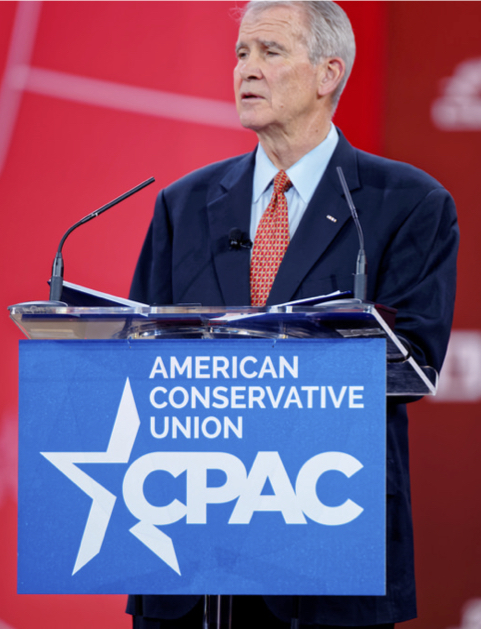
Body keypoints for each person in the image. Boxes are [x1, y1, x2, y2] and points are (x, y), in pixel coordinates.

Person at [126, 2, 458, 628]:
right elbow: (138, 357)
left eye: (270, 52)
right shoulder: (183, 204)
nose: (246, 69)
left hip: (328, 538)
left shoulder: (406, 204)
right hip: (187, 544)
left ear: (328, 74)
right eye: (241, 53)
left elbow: (412, 364)